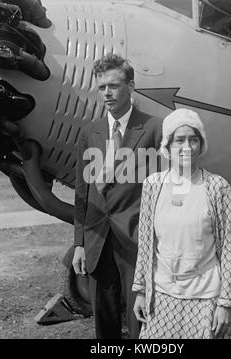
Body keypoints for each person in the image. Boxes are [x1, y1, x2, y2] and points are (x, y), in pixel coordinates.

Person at [72, 53, 162, 339]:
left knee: (142, 322)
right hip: (98, 242)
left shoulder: (154, 128)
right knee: (105, 325)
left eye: (113, 86)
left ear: (131, 86)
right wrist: (79, 244)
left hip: (137, 241)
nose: (107, 93)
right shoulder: (90, 133)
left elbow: (165, 188)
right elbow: (82, 194)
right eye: (101, 87)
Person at [132, 108, 231, 339]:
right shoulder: (153, 185)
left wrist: (225, 303)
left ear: (201, 145)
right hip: (161, 299)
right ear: (167, 147)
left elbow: (230, 248)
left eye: (193, 139)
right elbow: (145, 243)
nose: (187, 146)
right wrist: (141, 291)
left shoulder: (217, 187)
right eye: (179, 140)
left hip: (205, 301)